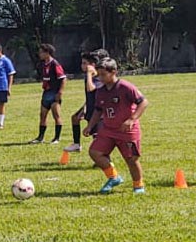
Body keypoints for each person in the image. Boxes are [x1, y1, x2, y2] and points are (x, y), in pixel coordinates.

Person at [84, 58, 149, 194]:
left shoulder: (125, 87)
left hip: (127, 130)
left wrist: (131, 119)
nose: (100, 78)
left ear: (113, 72)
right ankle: (114, 177)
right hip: (108, 130)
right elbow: (98, 110)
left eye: (103, 75)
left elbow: (143, 103)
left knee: (131, 159)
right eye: (98, 74)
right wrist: (90, 126)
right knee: (95, 152)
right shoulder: (101, 91)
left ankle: (138, 186)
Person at [64, 50, 107, 153]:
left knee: (97, 137)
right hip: (90, 107)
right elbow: (90, 95)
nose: (82, 65)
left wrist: (89, 74)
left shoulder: (98, 77)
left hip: (98, 111)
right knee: (75, 118)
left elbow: (91, 89)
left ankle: (103, 159)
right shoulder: (89, 76)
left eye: (84, 63)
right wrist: (84, 107)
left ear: (92, 65)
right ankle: (76, 144)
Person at [31, 43, 66, 144]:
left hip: (55, 92)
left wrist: (60, 92)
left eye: (41, 52)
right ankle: (40, 137)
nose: (39, 54)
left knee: (56, 115)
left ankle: (57, 138)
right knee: (42, 115)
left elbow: (63, 79)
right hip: (46, 93)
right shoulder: (42, 64)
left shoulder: (55, 64)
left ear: (47, 53)